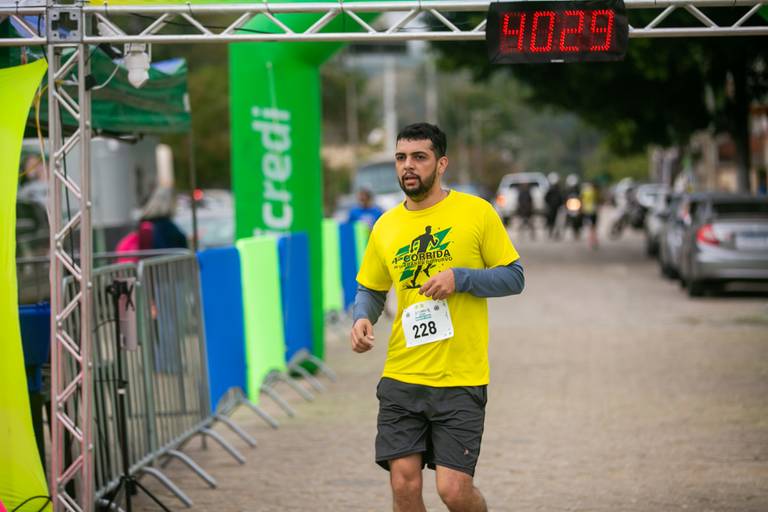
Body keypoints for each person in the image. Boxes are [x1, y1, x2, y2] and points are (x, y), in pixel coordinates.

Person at [350, 123, 525, 512]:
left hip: (460, 377)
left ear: (441, 163)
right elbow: (371, 289)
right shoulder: (385, 226)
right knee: (404, 484)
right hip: (402, 374)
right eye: (401, 158)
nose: (408, 166)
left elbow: (514, 277)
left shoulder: (476, 212)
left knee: (454, 490)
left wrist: (460, 279)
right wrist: (363, 318)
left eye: (419, 157)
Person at [580, 181, 599, 249]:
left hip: (587, 211)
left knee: (590, 227)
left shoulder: (584, 191)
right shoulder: (595, 191)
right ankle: (594, 241)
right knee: (593, 227)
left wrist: (581, 209)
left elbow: (581, 201)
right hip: (593, 211)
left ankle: (591, 242)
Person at [544, 172, 563, 239]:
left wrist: (561, 204)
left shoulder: (559, 189)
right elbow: (546, 198)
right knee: (550, 220)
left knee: (559, 220)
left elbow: (562, 197)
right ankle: (550, 231)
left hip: (558, 208)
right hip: (551, 208)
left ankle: (557, 232)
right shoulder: (549, 190)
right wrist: (548, 205)